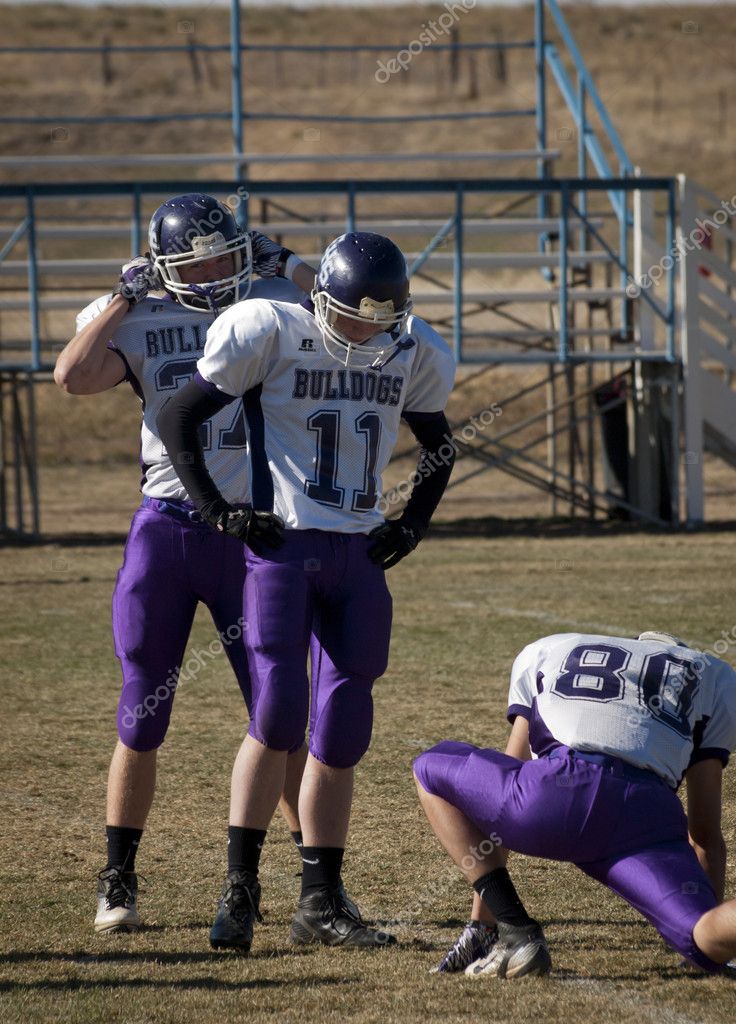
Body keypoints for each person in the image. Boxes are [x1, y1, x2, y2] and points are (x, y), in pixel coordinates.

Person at [156, 231, 457, 948]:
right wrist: (216, 509)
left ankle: (320, 902)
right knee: (279, 715)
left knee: (346, 725)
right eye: (352, 316)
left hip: (357, 552)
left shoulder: (415, 349)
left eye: (378, 320)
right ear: (319, 299)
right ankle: (241, 887)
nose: (363, 332)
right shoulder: (272, 329)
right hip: (283, 547)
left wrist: (412, 524)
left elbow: (440, 446)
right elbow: (178, 418)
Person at [54, 193, 327, 946]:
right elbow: (72, 377)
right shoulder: (137, 316)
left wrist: (292, 263)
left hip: (254, 532)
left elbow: (355, 315)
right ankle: (119, 876)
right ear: (166, 265)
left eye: (223, 255)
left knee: (280, 716)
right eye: (195, 260)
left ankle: (318, 884)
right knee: (142, 712)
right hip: (170, 530)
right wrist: (122, 294)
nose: (212, 273)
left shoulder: (274, 297)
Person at [413, 630, 736, 978]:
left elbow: (497, 804)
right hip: (644, 818)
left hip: (552, 795)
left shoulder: (554, 651)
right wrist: (702, 921)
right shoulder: (711, 680)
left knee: (429, 767)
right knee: (700, 930)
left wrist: (486, 920)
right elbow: (704, 833)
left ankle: (512, 927)